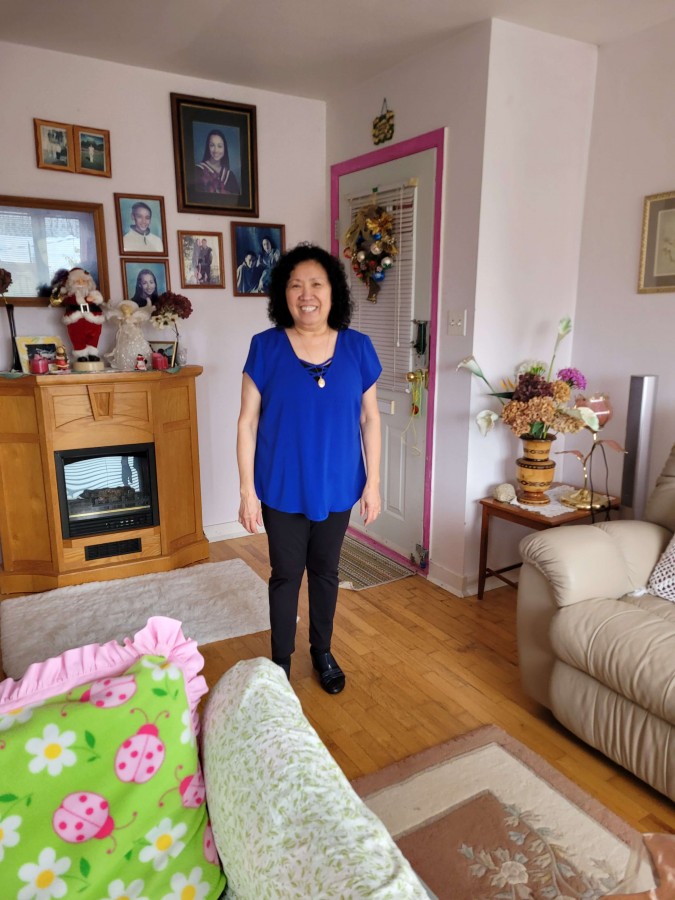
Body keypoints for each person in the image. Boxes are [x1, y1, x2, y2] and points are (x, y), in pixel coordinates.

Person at [237, 243, 382, 694]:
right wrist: (246, 490)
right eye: (295, 285)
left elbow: (370, 419)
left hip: (339, 484)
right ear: (283, 294)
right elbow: (247, 422)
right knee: (285, 575)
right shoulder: (265, 347)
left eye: (316, 284)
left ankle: (322, 651)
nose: (306, 294)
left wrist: (373, 483)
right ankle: (280, 661)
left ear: (333, 291)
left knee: (326, 572)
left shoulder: (358, 348)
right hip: (281, 485)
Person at [195, 130, 241, 195]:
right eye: (212, 145)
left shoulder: (230, 176)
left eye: (220, 146)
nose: (216, 150)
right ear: (208, 147)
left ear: (225, 148)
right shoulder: (197, 170)